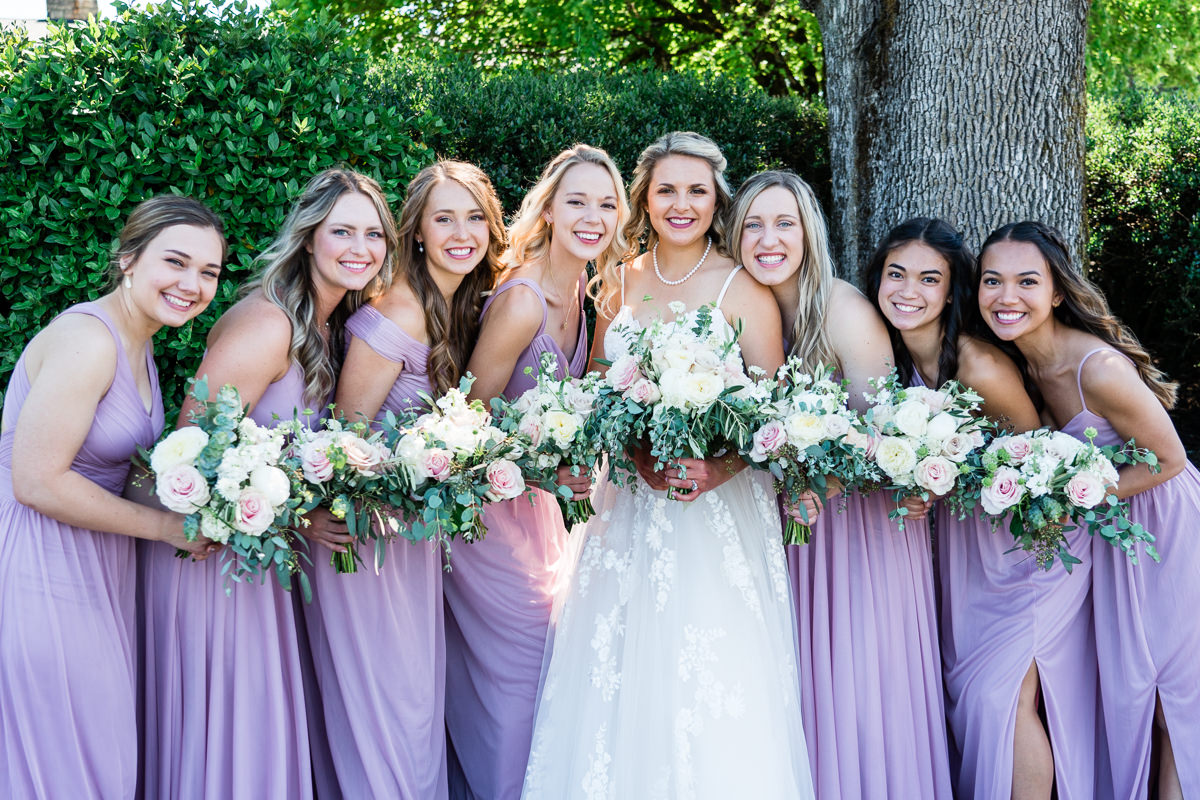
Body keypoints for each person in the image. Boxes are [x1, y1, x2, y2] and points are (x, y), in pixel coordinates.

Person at [521, 132, 815, 798]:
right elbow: (599, 383)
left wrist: (715, 469)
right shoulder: (618, 279)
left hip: (717, 518)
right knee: (618, 676)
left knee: (709, 673)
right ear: (644, 200)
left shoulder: (745, 289)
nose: (681, 204)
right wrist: (631, 454)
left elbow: (774, 417)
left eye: (697, 191)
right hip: (625, 510)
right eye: (666, 191)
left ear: (717, 201)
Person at [138, 168, 393, 799]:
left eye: (374, 234)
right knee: (225, 736)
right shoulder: (270, 323)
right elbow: (188, 458)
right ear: (309, 238)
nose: (360, 247)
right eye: (342, 232)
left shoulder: (334, 325)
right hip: (208, 563)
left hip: (256, 559)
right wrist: (301, 519)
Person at [730, 171, 953, 799]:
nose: (768, 239)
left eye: (784, 224)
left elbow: (883, 436)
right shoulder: (742, 306)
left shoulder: (844, 309)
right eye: (753, 224)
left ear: (809, 233)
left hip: (856, 534)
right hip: (783, 528)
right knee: (794, 685)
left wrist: (818, 485)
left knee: (853, 687)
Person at [864, 217, 1100, 799]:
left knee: (1005, 695)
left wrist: (945, 484)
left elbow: (1033, 463)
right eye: (895, 274)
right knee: (971, 698)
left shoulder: (979, 366)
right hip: (972, 553)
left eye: (928, 278)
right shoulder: (891, 358)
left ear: (951, 292)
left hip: (1029, 550)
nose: (908, 291)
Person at [0, 196, 223, 798]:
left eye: (208, 272)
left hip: (98, 570)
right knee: (69, 763)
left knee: (101, 756)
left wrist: (224, 500)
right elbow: (37, 480)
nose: (192, 284)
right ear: (128, 258)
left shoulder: (139, 343)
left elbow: (111, 469)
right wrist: (165, 530)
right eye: (175, 262)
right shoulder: (88, 341)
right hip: (42, 571)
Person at [977, 220, 1200, 800]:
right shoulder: (1018, 365)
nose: (1006, 297)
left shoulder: (1095, 368)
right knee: (1130, 686)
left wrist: (1069, 498)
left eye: (1026, 282)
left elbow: (1170, 460)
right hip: (1108, 529)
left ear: (1056, 292)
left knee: (1169, 691)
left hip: (1161, 525)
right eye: (991, 281)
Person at [312, 160, 505, 798]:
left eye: (474, 216)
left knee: (417, 707)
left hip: (413, 542)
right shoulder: (396, 310)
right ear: (415, 231)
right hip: (365, 544)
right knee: (391, 709)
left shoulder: (460, 305)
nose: (461, 231)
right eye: (442, 217)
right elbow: (346, 438)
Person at [443, 145, 627, 800]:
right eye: (577, 201)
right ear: (548, 209)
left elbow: (593, 396)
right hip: (491, 523)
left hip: (545, 517)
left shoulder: (594, 292)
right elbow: (466, 426)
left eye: (607, 204)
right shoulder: (520, 302)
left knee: (552, 676)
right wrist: (545, 469)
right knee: (521, 683)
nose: (593, 216)